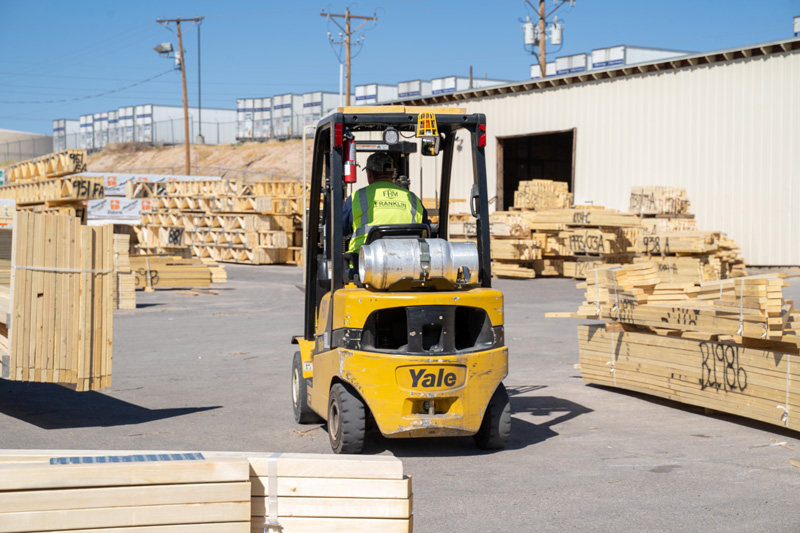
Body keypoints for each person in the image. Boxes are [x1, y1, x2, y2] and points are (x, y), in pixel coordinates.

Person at [343, 152, 430, 255]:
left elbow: (341, 228)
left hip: (364, 261)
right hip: (408, 260)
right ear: (393, 173)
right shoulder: (413, 198)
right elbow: (427, 230)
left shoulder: (356, 198)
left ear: (369, 173)